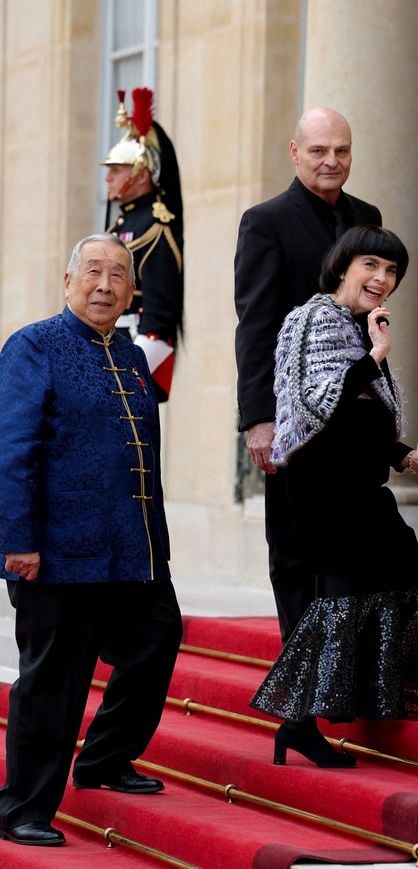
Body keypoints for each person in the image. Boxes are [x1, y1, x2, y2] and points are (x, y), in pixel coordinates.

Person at [250, 225, 418, 768]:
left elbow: (359, 422)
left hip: (357, 489)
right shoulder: (312, 320)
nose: (382, 279)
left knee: (400, 575)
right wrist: (375, 353)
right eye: (371, 266)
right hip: (320, 493)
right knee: (342, 600)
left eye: (392, 271)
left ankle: (332, 710)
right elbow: (315, 408)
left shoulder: (357, 328)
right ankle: (300, 723)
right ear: (342, 266)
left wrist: (406, 457)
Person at [0, 234, 183, 847]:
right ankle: (20, 807)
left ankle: (104, 758)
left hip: (131, 553)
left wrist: (157, 545)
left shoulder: (131, 356)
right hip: (54, 554)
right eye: (94, 273)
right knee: (53, 682)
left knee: (158, 637)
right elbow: (12, 451)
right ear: (68, 280)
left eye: (118, 276)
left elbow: (143, 460)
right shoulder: (33, 346)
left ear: (132, 291)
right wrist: (16, 542)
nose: (105, 285)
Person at [234, 106, 382, 645]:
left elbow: (369, 322)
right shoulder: (265, 221)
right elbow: (254, 326)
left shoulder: (367, 215)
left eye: (341, 150)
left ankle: (345, 678)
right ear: (295, 152)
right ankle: (300, 706)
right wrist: (259, 420)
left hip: (354, 416)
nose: (331, 160)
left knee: (352, 552)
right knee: (296, 558)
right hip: (295, 421)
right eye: (318, 150)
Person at [102, 87, 184, 403]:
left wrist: (128, 376)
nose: (108, 178)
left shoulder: (155, 228)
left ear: (140, 175)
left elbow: (159, 319)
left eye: (116, 170)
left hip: (133, 356)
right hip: (107, 350)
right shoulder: (120, 225)